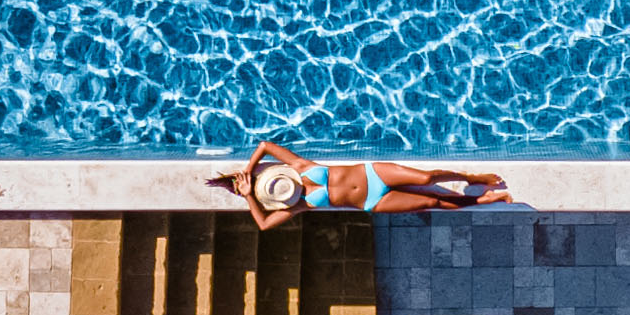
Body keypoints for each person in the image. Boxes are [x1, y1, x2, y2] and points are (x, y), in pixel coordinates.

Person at [205, 141, 511, 229]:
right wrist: (249, 196)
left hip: (372, 175)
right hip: (371, 202)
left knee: (427, 178)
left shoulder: (300, 168)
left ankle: (473, 178)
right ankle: (482, 201)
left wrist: (248, 169)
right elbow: (264, 225)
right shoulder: (297, 204)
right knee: (431, 202)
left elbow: (265, 145)